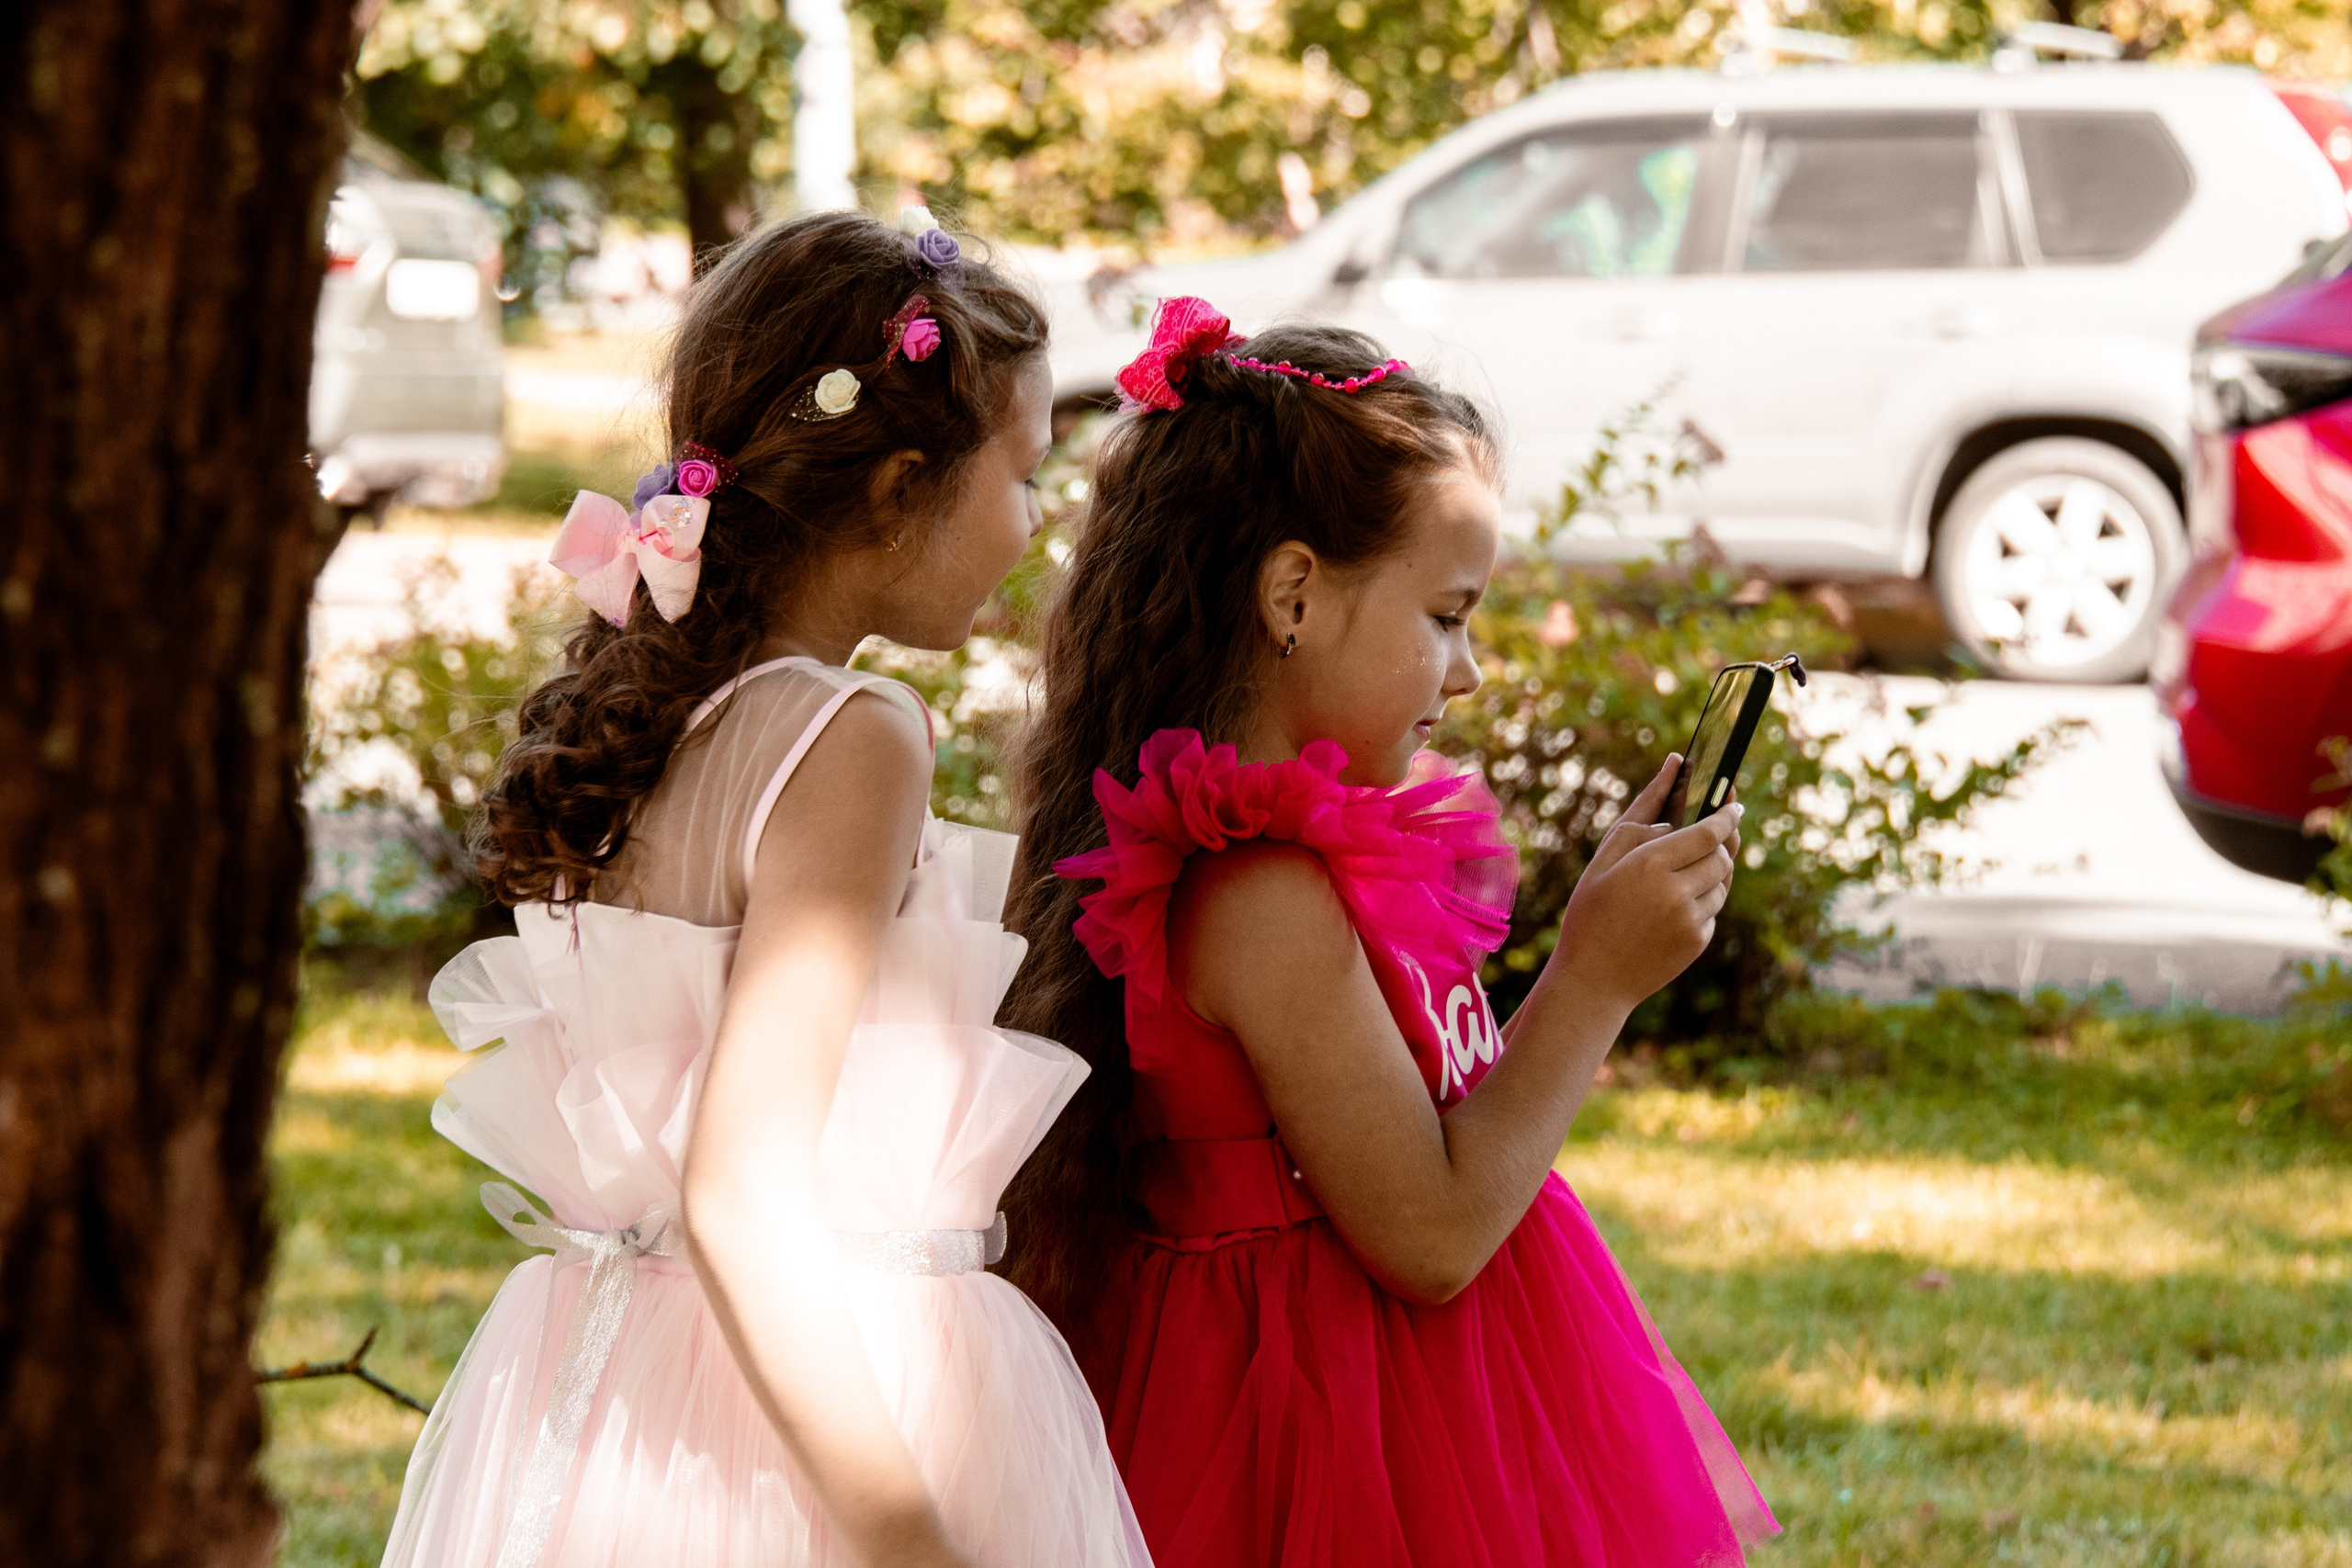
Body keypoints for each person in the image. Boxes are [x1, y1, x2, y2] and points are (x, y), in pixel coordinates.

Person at [379, 210, 1148, 1568]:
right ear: (900, 487)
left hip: (614, 1385)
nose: (1036, 524)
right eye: (1025, 475)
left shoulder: (671, 712)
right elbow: (740, 1194)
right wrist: (908, 1539)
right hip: (808, 1410)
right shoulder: (852, 736)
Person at [999, 299, 1780, 1567]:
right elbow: (1431, 1235)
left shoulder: (1323, 859)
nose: (1467, 671)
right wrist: (1595, 978)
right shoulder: (1257, 897)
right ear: (1294, 596)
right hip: (1310, 1433)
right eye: (1447, 615)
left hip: (1411, 1399)